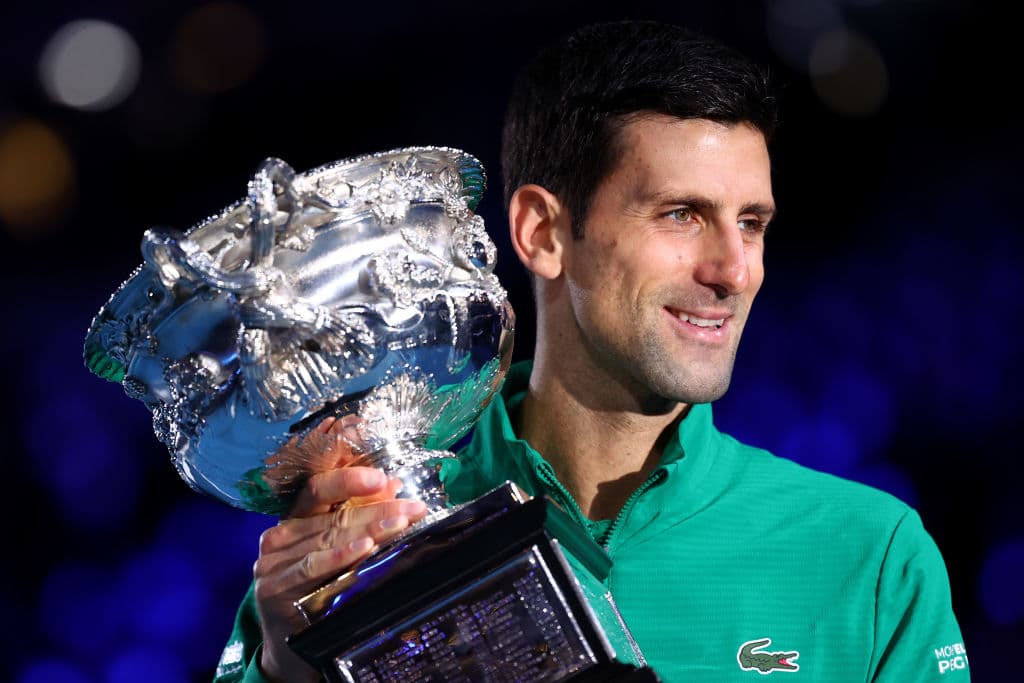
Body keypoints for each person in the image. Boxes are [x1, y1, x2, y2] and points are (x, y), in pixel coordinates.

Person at [214, 20, 969, 682]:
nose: (734, 271)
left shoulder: (871, 557)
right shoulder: (354, 540)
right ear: (543, 233)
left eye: (752, 222)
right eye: (681, 215)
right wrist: (287, 668)